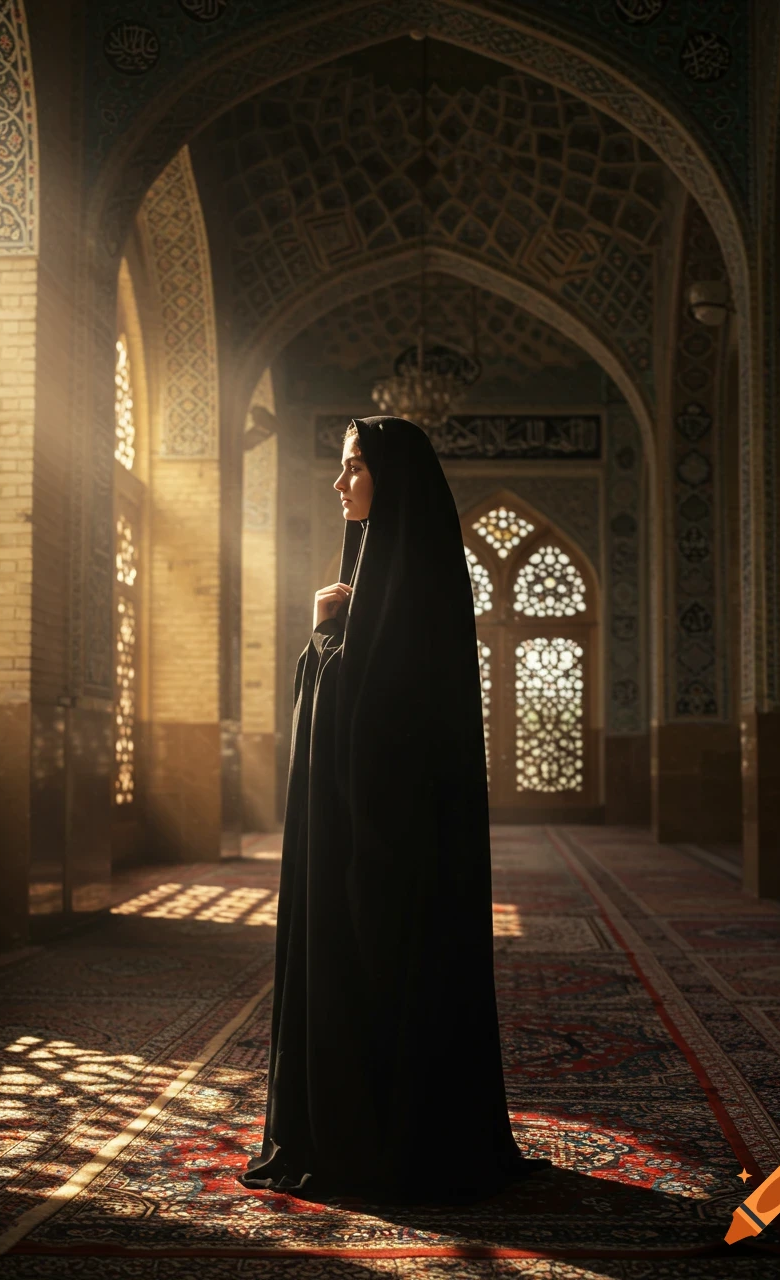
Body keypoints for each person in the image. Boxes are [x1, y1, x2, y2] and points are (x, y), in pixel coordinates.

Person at [238, 414, 551, 1203]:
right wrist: (330, 640)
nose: (341, 483)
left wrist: (321, 640)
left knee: (381, 981)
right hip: (360, 837)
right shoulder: (376, 587)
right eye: (342, 468)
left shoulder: (410, 595)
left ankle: (382, 1137)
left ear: (391, 477)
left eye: (354, 467)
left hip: (392, 852)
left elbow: (378, 726)